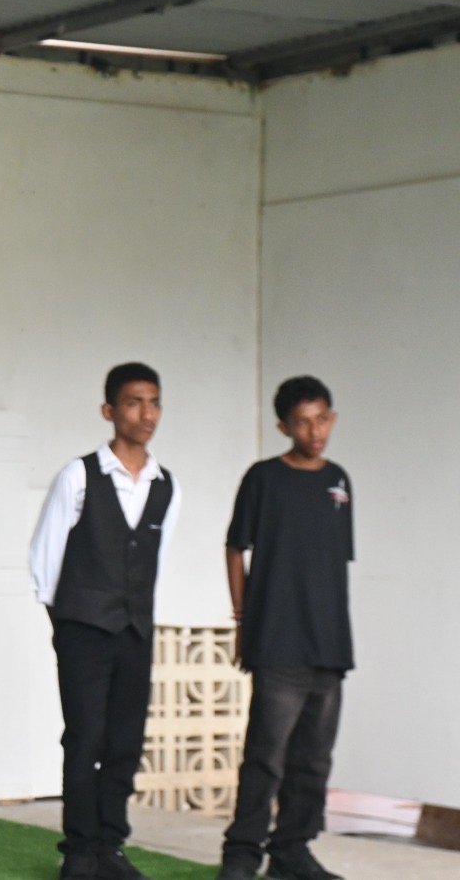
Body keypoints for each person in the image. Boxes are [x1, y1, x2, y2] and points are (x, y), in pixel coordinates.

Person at [28, 362, 182, 880]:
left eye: (154, 402)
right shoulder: (79, 476)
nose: (147, 413)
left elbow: (153, 557)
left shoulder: (167, 485)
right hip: (82, 629)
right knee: (85, 738)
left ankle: (110, 847)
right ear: (109, 410)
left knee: (125, 742)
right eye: (135, 402)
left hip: (135, 630)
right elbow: (45, 555)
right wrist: (66, 624)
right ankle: (79, 850)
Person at [217, 377, 353, 880]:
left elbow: (333, 561)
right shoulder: (263, 478)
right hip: (277, 642)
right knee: (266, 757)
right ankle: (241, 855)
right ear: (283, 427)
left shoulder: (339, 481)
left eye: (322, 419)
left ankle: (291, 852)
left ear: (332, 418)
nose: (315, 431)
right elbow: (236, 547)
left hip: (329, 646)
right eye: (302, 422)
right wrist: (241, 621)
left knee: (313, 761)